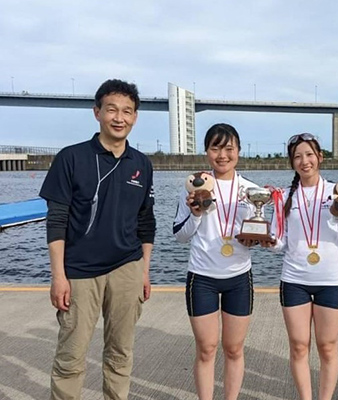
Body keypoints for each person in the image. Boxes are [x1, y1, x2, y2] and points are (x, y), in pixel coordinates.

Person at [40, 79, 156, 399]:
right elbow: (57, 221)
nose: (120, 118)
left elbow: (146, 222)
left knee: (120, 354)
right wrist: (58, 276)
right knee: (71, 357)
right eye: (112, 110)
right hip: (78, 272)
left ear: (135, 117)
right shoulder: (71, 158)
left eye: (127, 111)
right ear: (97, 113)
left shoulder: (141, 164)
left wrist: (144, 271)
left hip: (127, 268)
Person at [265, 133, 338, 400]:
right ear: (292, 163)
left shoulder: (336, 191)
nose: (304, 161)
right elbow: (279, 241)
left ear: (320, 157)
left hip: (330, 280)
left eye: (309, 154)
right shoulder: (283, 197)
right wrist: (265, 241)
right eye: (297, 156)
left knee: (327, 346)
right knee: (298, 346)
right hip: (294, 280)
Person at [173, 123, 259, 400]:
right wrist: (196, 213)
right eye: (216, 148)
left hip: (239, 277)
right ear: (207, 151)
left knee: (234, 349)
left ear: (239, 151)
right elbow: (180, 236)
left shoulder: (251, 190)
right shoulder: (194, 185)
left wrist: (254, 239)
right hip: (202, 277)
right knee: (207, 349)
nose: (223, 155)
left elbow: (260, 234)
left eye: (229, 148)